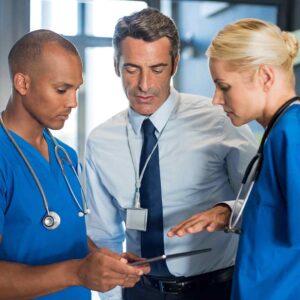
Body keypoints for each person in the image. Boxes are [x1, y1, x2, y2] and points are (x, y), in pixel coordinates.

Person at [85, 8, 257, 300]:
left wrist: (227, 210)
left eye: (157, 68)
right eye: (132, 68)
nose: (144, 85)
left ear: (175, 64)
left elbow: (263, 199)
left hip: (215, 289)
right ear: (116, 65)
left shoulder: (219, 120)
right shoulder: (100, 141)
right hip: (139, 291)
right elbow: (104, 234)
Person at [0, 29, 149, 300]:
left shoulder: (65, 155)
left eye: (76, 89)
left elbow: (66, 235)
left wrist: (103, 260)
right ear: (22, 83)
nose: (73, 102)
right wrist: (78, 273)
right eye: (61, 89)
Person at [169, 18, 300, 299]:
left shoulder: (293, 133)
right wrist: (233, 213)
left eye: (223, 87)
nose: (216, 99)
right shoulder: (278, 131)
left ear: (265, 77)